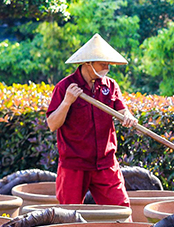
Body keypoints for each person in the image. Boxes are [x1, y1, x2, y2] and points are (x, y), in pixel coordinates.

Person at [47, 33, 139, 206]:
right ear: (88, 63)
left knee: (121, 209)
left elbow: (122, 109)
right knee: (69, 214)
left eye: (108, 64)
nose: (107, 68)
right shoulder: (65, 87)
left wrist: (128, 116)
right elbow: (52, 124)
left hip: (105, 163)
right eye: (103, 64)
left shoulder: (110, 85)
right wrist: (67, 101)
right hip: (74, 164)